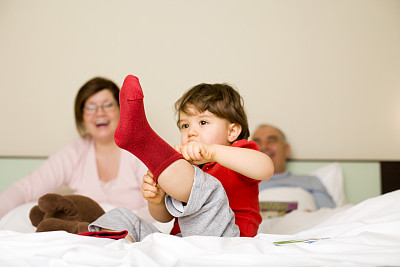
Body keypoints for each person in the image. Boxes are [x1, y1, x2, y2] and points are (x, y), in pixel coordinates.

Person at [86, 75, 274, 242]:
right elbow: (164, 218)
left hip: (228, 243)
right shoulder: (184, 167)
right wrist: (156, 200)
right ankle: (119, 253)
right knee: (121, 216)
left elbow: (265, 168)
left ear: (232, 131)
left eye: (203, 122)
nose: (191, 132)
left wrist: (212, 152)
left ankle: (143, 141)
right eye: (184, 126)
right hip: (180, 242)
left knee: (206, 188)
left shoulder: (238, 152)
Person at [0, 77, 151, 220]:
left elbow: (156, 208)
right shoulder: (75, 152)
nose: (99, 112)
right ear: (82, 116)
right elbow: (27, 189)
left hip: (131, 236)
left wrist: (119, 226)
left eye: (107, 105)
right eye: (90, 107)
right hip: (85, 236)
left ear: (121, 110)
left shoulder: (138, 151)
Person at [252, 124, 335, 209]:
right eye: (257, 142)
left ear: (286, 150)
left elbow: (331, 216)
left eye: (272, 140)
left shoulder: (311, 182)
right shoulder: (243, 185)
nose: (263, 147)